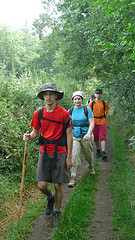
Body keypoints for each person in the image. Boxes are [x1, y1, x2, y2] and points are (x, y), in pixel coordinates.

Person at [23, 82, 73, 226]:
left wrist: (69, 157)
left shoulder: (64, 113)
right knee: (41, 185)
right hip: (44, 152)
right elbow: (35, 133)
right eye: (46, 94)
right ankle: (50, 198)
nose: (48, 97)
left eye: (51, 94)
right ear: (43, 97)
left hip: (60, 152)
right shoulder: (38, 113)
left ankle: (57, 211)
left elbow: (69, 135)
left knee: (58, 185)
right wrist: (28, 137)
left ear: (56, 96)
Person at [68, 91, 95, 188]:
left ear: (82, 100)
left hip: (86, 136)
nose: (77, 100)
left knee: (88, 154)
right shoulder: (70, 111)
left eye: (79, 98)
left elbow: (92, 123)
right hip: (75, 136)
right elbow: (67, 125)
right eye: (75, 99)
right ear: (73, 100)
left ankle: (90, 165)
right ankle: (73, 178)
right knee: (74, 155)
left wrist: (88, 134)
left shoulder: (87, 109)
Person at [88, 88, 110, 161]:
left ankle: (103, 152)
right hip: (94, 122)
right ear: (95, 94)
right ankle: (98, 150)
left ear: (101, 94)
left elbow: (107, 113)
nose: (98, 95)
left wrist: (108, 123)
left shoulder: (104, 103)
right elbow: (88, 113)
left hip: (102, 121)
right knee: (96, 137)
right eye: (97, 93)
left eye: (99, 93)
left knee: (102, 137)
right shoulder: (92, 103)